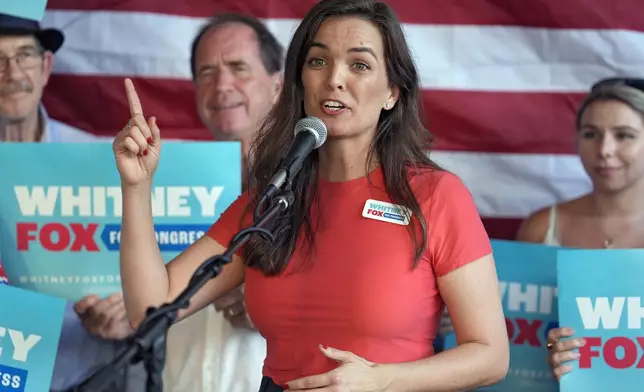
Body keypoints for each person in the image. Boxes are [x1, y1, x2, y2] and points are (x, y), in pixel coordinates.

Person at [114, 0, 509, 391]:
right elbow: (149, 308)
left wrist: (383, 379)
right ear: (299, 80)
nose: (335, 78)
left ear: (392, 91)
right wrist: (136, 187)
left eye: (360, 65)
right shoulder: (269, 201)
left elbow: (490, 356)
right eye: (318, 61)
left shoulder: (435, 196)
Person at [0, 14, 141, 391]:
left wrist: (128, 313)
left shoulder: (105, 160)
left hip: (85, 377)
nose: (11, 73)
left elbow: (144, 273)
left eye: (24, 55)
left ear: (46, 67)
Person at [162, 13, 283, 392]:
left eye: (238, 68)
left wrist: (273, 305)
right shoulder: (163, 183)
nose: (221, 85)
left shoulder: (323, 181)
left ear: (278, 85)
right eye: (207, 72)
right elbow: (147, 293)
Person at [516, 77, 644, 381]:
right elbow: (518, 326)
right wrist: (551, 347)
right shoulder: (542, 227)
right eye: (591, 134)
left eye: (624, 135)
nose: (605, 150)